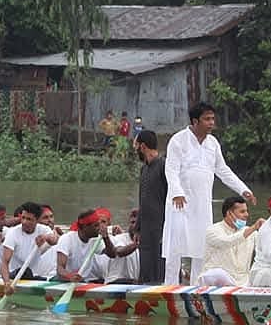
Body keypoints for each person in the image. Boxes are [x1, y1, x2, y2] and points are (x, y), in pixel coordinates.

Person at [163, 103, 255, 285]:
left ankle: (197, 286)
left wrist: (243, 189)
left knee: (202, 247)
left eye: (213, 118)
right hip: (180, 202)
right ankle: (169, 286)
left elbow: (223, 170)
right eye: (207, 119)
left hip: (202, 204)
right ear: (195, 121)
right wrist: (177, 192)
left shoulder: (212, 143)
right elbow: (171, 169)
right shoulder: (178, 140)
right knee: (175, 247)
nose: (212, 123)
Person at [197, 196, 265, 286]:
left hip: (243, 282)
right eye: (242, 212)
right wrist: (253, 228)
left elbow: (265, 247)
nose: (247, 215)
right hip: (217, 281)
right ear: (229, 213)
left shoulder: (251, 233)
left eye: (246, 211)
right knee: (217, 274)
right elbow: (227, 242)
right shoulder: (213, 230)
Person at [0, 202, 57, 294]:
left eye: (29, 219)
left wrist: (45, 238)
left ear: (37, 220)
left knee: (44, 277)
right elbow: (4, 263)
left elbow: (54, 240)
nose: (24, 222)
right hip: (13, 275)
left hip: (33, 277)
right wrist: (7, 283)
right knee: (26, 272)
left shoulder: (44, 230)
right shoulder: (13, 233)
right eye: (23, 218)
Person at [55, 209, 128, 282]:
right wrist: (70, 276)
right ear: (84, 227)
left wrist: (106, 237)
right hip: (64, 280)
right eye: (96, 225)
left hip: (81, 281)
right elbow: (60, 269)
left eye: (99, 224)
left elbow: (112, 254)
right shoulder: (67, 239)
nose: (99, 227)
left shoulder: (94, 240)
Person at [134, 130, 167, 284]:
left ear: (143, 146)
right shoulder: (144, 169)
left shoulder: (164, 166)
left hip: (162, 226)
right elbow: (142, 200)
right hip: (146, 229)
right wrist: (138, 228)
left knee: (160, 265)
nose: (135, 150)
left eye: (136, 146)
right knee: (146, 266)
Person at [103, 210, 141, 284]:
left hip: (132, 285)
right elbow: (118, 252)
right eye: (132, 222)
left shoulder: (148, 244)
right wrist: (135, 245)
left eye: (138, 223)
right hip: (114, 282)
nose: (134, 225)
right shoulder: (119, 238)